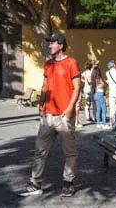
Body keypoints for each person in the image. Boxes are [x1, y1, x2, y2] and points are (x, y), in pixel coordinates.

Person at [19, 33, 81, 198]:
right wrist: (41, 103)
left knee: (70, 151)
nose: (50, 45)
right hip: (48, 116)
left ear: (61, 45)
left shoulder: (71, 63)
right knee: (40, 150)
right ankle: (35, 183)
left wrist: (70, 108)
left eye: (53, 43)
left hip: (64, 115)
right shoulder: (48, 65)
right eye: (50, 43)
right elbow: (45, 86)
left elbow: (77, 87)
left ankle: (68, 182)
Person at [91, 62, 107, 129]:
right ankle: (104, 124)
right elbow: (102, 85)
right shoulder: (99, 78)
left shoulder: (93, 79)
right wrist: (104, 84)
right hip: (100, 94)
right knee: (104, 109)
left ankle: (98, 123)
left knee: (98, 110)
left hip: (95, 94)